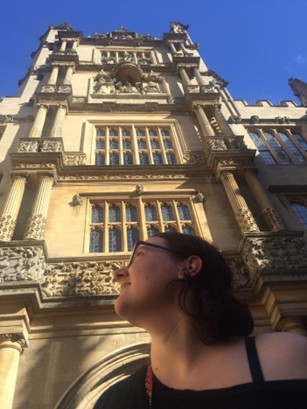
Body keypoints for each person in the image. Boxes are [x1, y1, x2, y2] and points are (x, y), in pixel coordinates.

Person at [94, 232, 307, 408]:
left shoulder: (288, 356)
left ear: (190, 266)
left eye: (139, 254)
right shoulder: (113, 401)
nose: (117, 273)